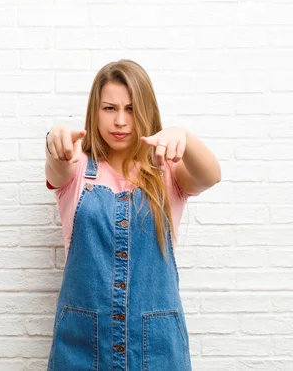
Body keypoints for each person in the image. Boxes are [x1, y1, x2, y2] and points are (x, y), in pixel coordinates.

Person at [44, 59, 221, 371]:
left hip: (156, 346)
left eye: (131, 109)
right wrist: (54, 141)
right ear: (94, 112)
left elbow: (211, 176)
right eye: (109, 108)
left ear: (146, 111)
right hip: (82, 344)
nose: (121, 121)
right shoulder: (77, 169)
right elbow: (57, 167)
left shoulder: (167, 172)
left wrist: (185, 137)